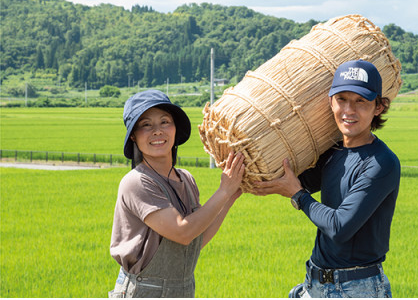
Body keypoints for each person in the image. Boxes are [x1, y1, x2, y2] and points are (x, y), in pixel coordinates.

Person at [254, 60, 401, 298]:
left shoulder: (381, 163)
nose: (349, 110)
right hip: (315, 284)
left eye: (360, 101)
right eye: (342, 99)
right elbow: (297, 179)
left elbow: (339, 227)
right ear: (330, 102)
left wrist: (298, 196)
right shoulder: (333, 152)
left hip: (356, 289)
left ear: (378, 107)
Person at [109, 89, 245, 298]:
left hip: (183, 289)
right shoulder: (136, 182)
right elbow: (183, 232)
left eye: (165, 122)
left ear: (175, 128)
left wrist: (230, 196)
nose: (157, 131)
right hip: (144, 291)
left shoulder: (186, 179)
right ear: (134, 136)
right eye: (146, 124)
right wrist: (223, 190)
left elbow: (196, 239)